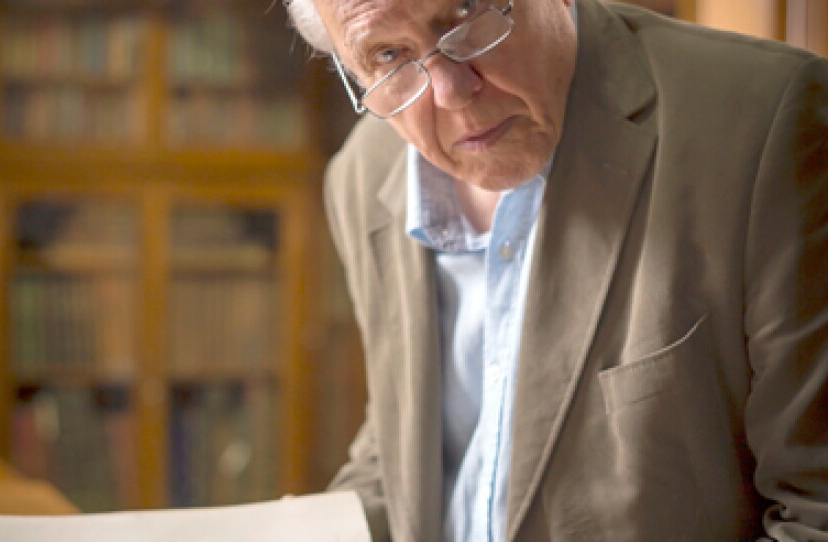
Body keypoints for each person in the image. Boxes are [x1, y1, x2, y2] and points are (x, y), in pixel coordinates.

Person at [284, 0, 828, 539]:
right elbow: (404, 456)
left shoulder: (767, 122)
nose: (450, 92)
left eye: (463, 16)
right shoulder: (363, 175)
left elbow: (815, 512)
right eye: (387, 54)